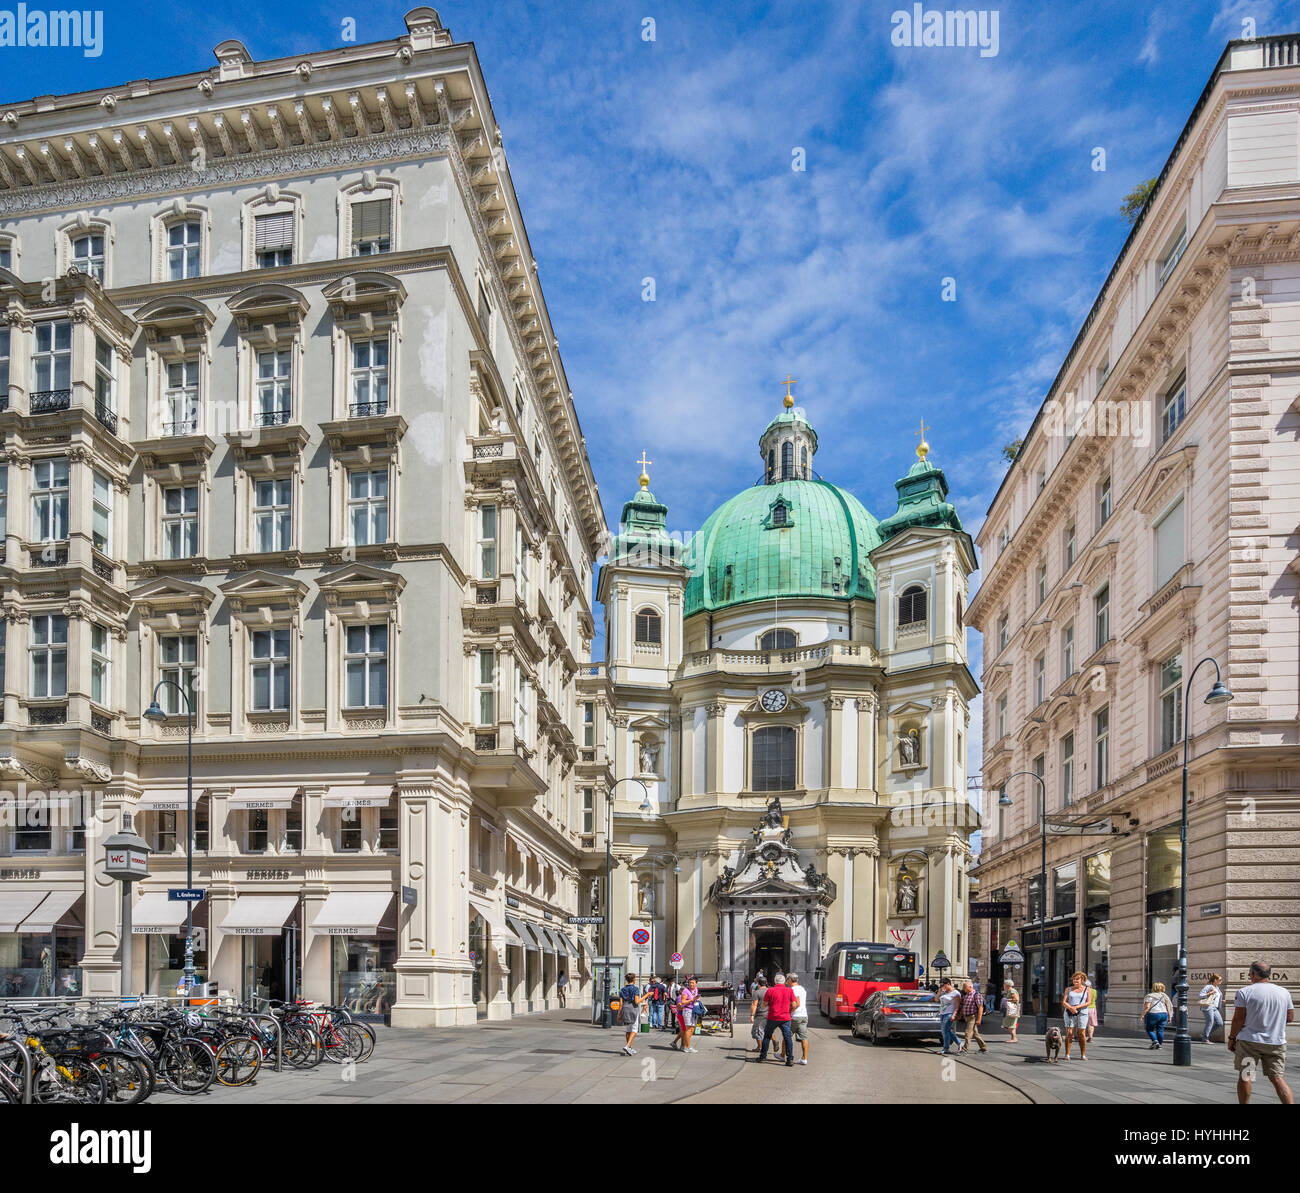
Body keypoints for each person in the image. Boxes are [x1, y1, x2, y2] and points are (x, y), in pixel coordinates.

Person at [1228, 960, 1294, 1105]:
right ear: (1269, 974)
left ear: (1252, 974)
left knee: (1247, 1076)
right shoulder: (1284, 992)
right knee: (1276, 1078)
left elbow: (1238, 1019)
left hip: (1250, 1042)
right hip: (1276, 1042)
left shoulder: (1245, 992)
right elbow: (1290, 1017)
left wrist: (1232, 1038)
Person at [755, 972, 797, 1066]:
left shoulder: (770, 990)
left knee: (767, 1036)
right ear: (784, 982)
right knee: (787, 1038)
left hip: (773, 1017)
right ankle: (790, 1059)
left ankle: (763, 1056)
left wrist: (772, 1004)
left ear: (774, 981)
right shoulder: (789, 991)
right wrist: (789, 1011)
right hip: (785, 1018)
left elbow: (765, 1004)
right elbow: (794, 1004)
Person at [954, 979, 988, 1054]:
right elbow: (964, 1007)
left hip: (973, 1016)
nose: (963, 989)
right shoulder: (966, 996)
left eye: (965, 987)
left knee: (968, 1032)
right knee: (975, 1034)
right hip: (967, 1017)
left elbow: (980, 1007)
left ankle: (964, 1049)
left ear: (970, 987)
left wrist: (979, 1019)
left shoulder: (976, 995)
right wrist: (960, 1016)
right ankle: (983, 1048)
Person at [1062, 971, 1089, 1060]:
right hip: (1070, 1013)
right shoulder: (1068, 989)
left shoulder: (1087, 989)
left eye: (1077, 979)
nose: (1075, 980)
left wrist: (1077, 1007)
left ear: (1082, 980)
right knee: (1069, 1033)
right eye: (1073, 979)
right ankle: (1067, 1054)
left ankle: (1083, 1054)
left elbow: (1088, 1002)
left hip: (1082, 1013)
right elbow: (1064, 1002)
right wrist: (1071, 1008)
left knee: (1081, 1033)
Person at [787, 972, 810, 1065]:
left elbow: (796, 1003)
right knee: (804, 1038)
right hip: (804, 1015)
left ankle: (782, 1054)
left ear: (789, 980)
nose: (786, 981)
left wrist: (789, 1011)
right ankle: (804, 1058)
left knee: (787, 1036)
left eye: (787, 979)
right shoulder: (802, 989)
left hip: (795, 1016)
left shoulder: (793, 989)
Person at [1142, 982, 1173, 1048]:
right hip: (1164, 1014)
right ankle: (1160, 1045)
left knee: (1149, 1029)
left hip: (1154, 1014)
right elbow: (1168, 1007)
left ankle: (1155, 1041)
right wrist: (1170, 1016)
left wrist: (1143, 1014)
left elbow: (1147, 1007)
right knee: (1160, 1030)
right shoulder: (1165, 996)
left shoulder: (1150, 996)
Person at [618, 972, 643, 1056]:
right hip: (633, 1009)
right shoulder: (635, 989)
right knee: (634, 1029)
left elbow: (620, 1003)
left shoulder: (622, 989)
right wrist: (646, 995)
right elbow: (637, 1001)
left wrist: (619, 1014)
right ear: (633, 979)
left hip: (625, 1009)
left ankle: (630, 1048)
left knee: (628, 1029)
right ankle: (628, 1046)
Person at [675, 976, 701, 1053]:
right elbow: (682, 1002)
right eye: (690, 983)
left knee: (692, 1029)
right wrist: (692, 1000)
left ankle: (684, 1046)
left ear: (696, 983)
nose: (691, 984)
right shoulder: (685, 991)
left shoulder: (696, 990)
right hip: (687, 1010)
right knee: (688, 1029)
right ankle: (687, 1047)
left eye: (693, 983)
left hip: (693, 1010)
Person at [1198, 973, 1223, 1044]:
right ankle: (1205, 1038)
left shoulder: (1217, 988)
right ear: (1215, 980)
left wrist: (1221, 1001)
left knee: (1219, 1023)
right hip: (1208, 1007)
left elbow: (1216, 998)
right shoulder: (1209, 986)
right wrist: (1210, 993)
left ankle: (1204, 1034)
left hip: (1215, 1008)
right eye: (1220, 980)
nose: (1221, 981)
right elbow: (1200, 995)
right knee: (1210, 1022)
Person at [938, 977, 961, 1054]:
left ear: (948, 984)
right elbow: (936, 999)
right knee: (946, 1030)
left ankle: (946, 1048)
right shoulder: (943, 992)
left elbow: (957, 1006)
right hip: (942, 1013)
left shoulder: (956, 993)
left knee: (945, 1031)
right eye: (940, 985)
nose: (941, 987)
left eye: (942, 985)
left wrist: (954, 1014)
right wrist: (939, 991)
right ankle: (959, 1043)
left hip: (949, 1013)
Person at [749, 977, 769, 1052]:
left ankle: (760, 1047)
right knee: (767, 1030)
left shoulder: (757, 992)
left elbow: (754, 1004)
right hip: (770, 1014)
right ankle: (774, 1041)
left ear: (758, 983)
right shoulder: (770, 990)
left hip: (760, 1014)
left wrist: (752, 1015)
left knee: (756, 1031)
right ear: (766, 983)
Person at [1084, 974, 1098, 1041]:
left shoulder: (1084, 991)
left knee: (1082, 1023)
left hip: (1084, 1008)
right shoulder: (1094, 991)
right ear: (1091, 985)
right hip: (1092, 1008)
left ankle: (1080, 1036)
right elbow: (1095, 999)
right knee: (1091, 1024)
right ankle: (1090, 1037)